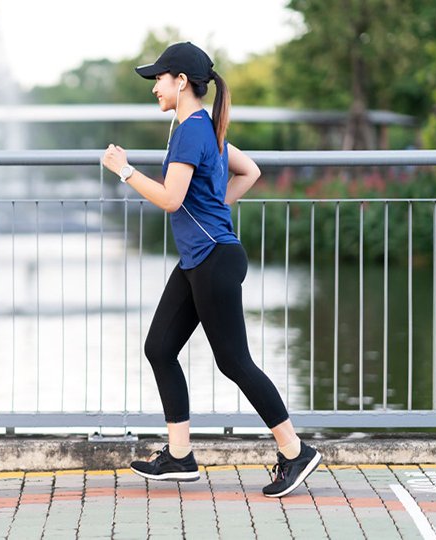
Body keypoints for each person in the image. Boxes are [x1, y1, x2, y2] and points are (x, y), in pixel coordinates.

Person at [101, 42, 321, 498]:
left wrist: (124, 171)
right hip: (201, 258)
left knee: (234, 362)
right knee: (160, 347)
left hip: (214, 260)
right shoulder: (205, 128)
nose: (155, 87)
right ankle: (179, 456)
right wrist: (214, 209)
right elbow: (251, 172)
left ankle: (294, 449)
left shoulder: (192, 131)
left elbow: (171, 199)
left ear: (181, 81)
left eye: (159, 78)